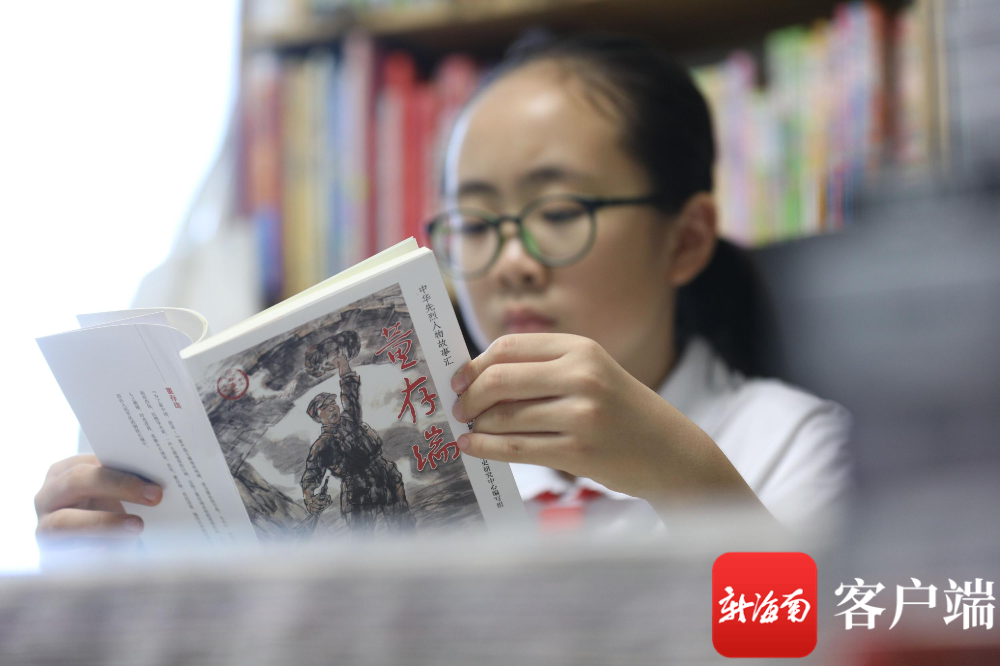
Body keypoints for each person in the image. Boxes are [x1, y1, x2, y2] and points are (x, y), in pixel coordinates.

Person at [34, 33, 850, 543]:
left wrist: (687, 480)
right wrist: (110, 562)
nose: (511, 261)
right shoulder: (435, 457)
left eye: (558, 213)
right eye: (476, 222)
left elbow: (798, 641)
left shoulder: (794, 443)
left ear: (687, 238)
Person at [299, 348, 415, 534]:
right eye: (325, 407)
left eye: (333, 403)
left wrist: (343, 365)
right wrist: (309, 498)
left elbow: (350, 392)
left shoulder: (351, 419)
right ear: (317, 417)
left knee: (404, 527)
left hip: (384, 475)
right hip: (357, 490)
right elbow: (311, 474)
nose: (332, 408)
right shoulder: (322, 446)